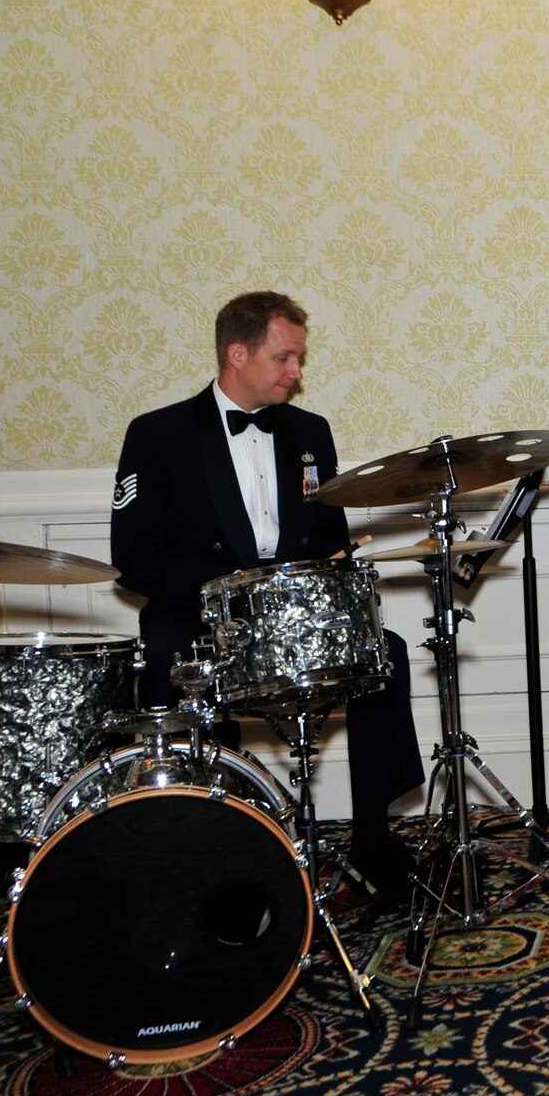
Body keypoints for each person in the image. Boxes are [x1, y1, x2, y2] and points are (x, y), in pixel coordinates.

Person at [111, 291, 423, 888]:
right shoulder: (157, 435)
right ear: (237, 353)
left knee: (386, 652)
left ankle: (373, 841)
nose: (296, 372)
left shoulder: (311, 432)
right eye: (285, 358)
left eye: (298, 359)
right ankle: (201, 848)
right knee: (167, 662)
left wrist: (329, 575)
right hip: (198, 614)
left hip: (292, 615)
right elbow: (134, 557)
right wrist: (228, 594)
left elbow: (328, 537)